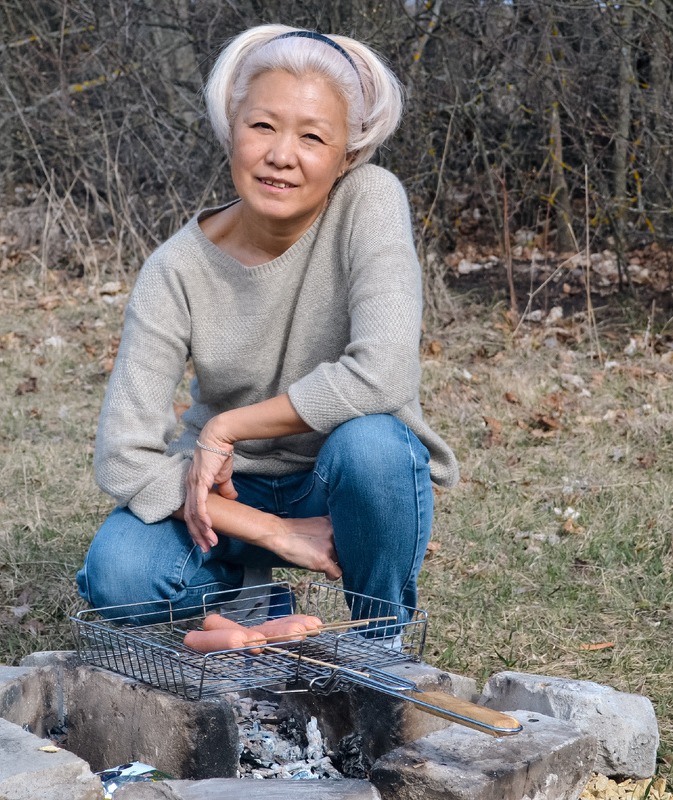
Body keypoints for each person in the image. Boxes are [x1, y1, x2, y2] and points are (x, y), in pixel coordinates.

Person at [76, 24, 458, 625]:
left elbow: (383, 375)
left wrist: (226, 426)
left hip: (340, 482)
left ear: (347, 157)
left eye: (312, 137)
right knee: (119, 576)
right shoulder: (174, 268)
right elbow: (124, 456)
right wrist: (277, 532)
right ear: (232, 130)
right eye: (262, 126)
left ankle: (381, 641)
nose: (281, 154)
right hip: (227, 490)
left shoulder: (371, 200)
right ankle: (253, 602)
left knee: (377, 446)